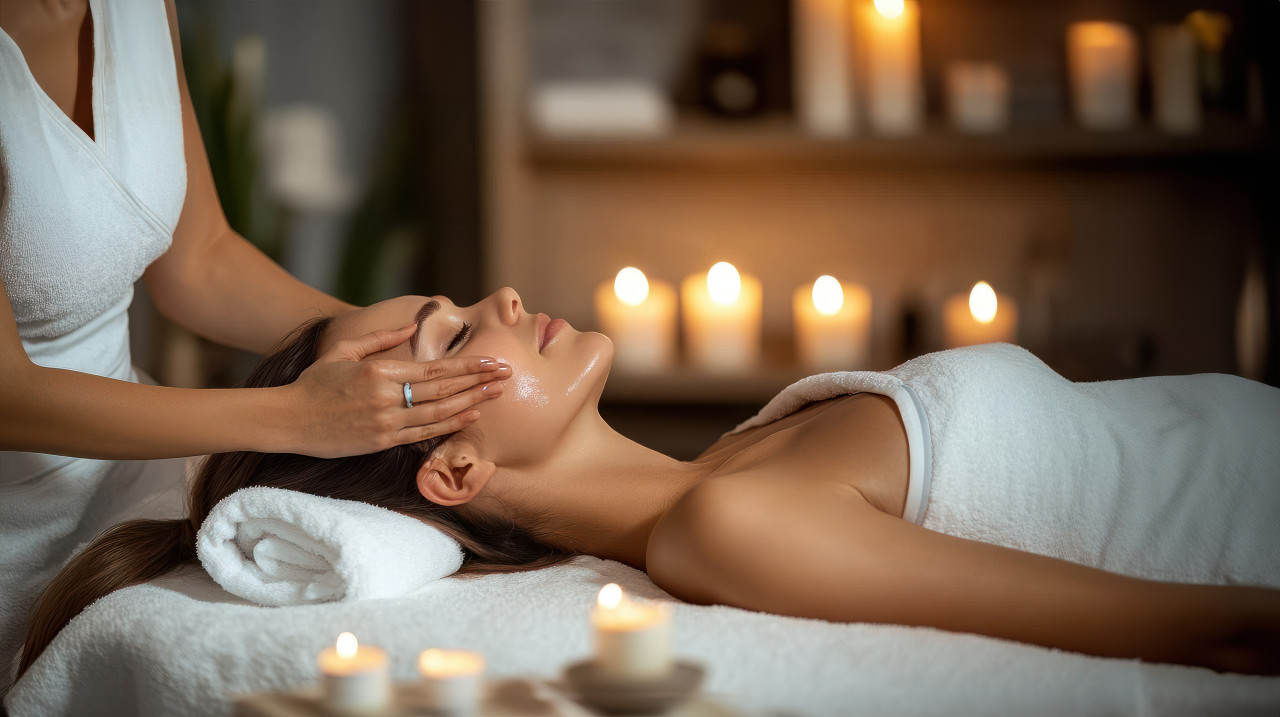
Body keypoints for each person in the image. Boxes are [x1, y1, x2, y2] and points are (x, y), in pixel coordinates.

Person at [18, 288, 1280, 682]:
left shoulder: (738, 461)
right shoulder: (733, 524)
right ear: (454, 470)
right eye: (457, 340)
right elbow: (1208, 630)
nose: (504, 300)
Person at [0, 0, 509, 688]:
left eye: (458, 327)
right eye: (453, 328)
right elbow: (9, 394)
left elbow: (201, 263)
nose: (505, 304)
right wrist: (302, 416)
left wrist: (395, 346)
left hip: (124, 479)